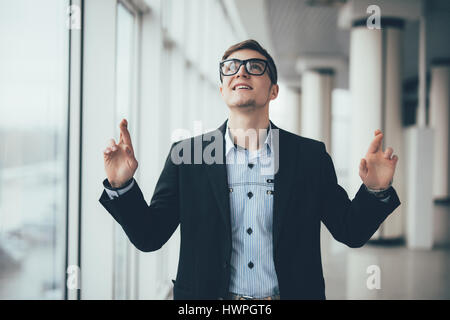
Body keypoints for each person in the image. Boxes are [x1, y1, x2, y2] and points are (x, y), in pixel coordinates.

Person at [99, 39, 400, 300]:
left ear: (274, 90)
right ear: (222, 89)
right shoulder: (187, 156)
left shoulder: (309, 156)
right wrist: (122, 187)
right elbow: (150, 236)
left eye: (255, 67)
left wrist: (376, 190)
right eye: (230, 67)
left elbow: (350, 231)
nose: (241, 71)